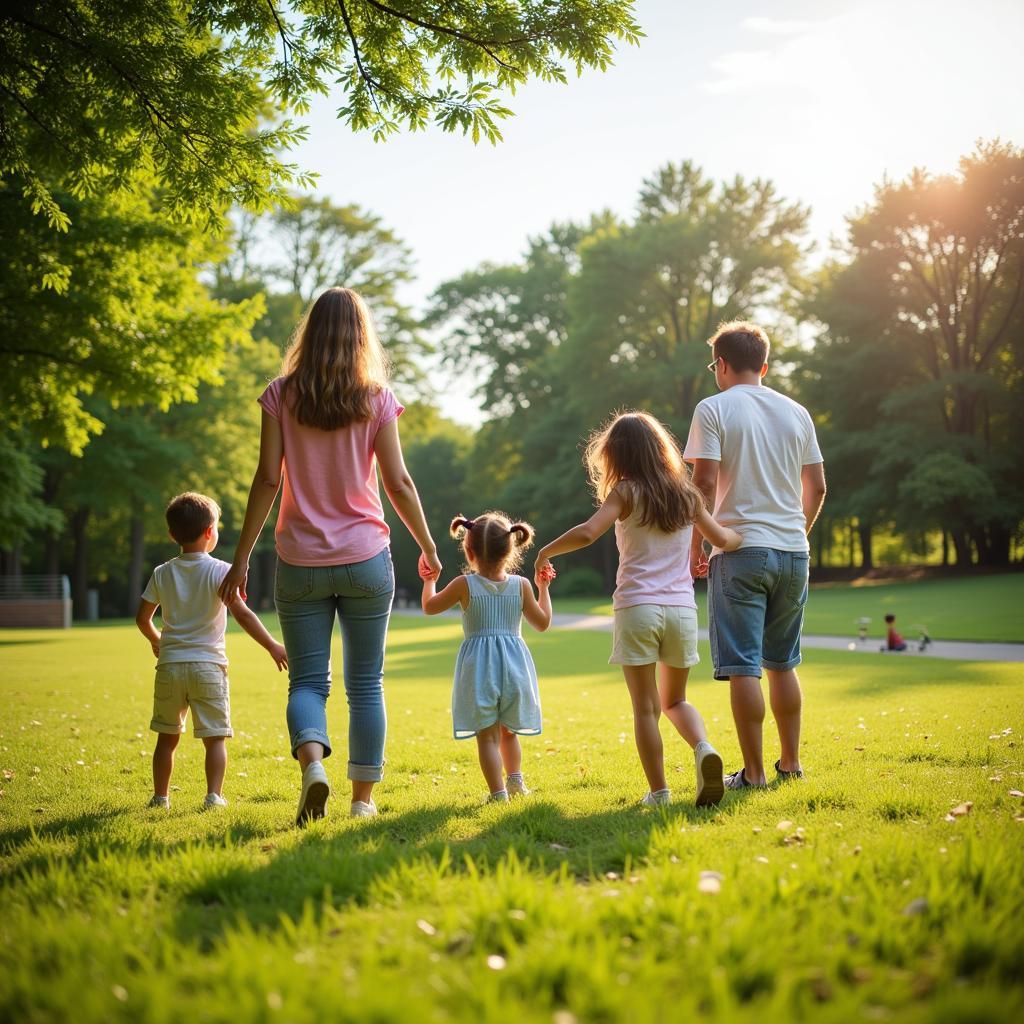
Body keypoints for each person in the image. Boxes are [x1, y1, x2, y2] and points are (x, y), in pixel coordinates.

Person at [218, 287, 442, 825]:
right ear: (361, 336)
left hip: (298, 562)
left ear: (310, 332)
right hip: (367, 558)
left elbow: (268, 479)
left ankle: (313, 768)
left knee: (307, 684)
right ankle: (362, 802)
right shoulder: (376, 398)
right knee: (366, 684)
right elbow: (399, 481)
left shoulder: (280, 394)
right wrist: (429, 543)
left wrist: (242, 556)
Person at [535, 412, 742, 808]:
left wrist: (545, 550)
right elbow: (722, 539)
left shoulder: (626, 493)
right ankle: (703, 748)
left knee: (646, 708)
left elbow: (586, 532)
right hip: (681, 612)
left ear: (617, 455)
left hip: (637, 608)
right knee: (675, 700)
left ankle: (660, 792)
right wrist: (745, 533)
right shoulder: (687, 496)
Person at [684, 321, 827, 789]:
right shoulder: (798, 412)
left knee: (743, 664)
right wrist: (795, 534)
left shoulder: (713, 409)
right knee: (783, 663)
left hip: (740, 549)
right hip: (793, 552)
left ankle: (756, 775)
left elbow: (703, 485)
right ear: (764, 365)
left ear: (721, 365)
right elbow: (818, 487)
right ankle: (791, 764)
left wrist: (696, 544)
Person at [136, 492, 288, 810]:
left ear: (171, 534)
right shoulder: (222, 571)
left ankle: (161, 797)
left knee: (167, 737)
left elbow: (143, 618)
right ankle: (213, 796)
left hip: (171, 667)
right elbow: (243, 614)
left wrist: (157, 640)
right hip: (208, 666)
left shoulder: (162, 572)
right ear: (210, 533)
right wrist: (272, 645)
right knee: (214, 737)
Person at [420, 513, 552, 803]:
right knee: (509, 732)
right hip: (514, 667)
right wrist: (543, 588)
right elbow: (542, 623)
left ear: (469, 551)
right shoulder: (522, 586)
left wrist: (429, 580)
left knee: (488, 736)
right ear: (510, 549)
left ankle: (498, 793)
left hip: (480, 668)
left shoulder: (464, 585)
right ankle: (516, 781)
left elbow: (429, 606)